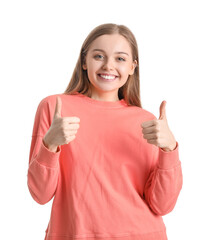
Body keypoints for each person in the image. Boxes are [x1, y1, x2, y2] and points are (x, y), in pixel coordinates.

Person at [27, 23, 183, 240]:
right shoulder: (54, 109)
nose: (108, 66)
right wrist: (50, 145)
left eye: (120, 58)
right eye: (99, 56)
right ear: (84, 61)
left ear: (132, 67)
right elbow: (40, 194)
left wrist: (169, 149)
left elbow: (162, 205)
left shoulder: (146, 122)